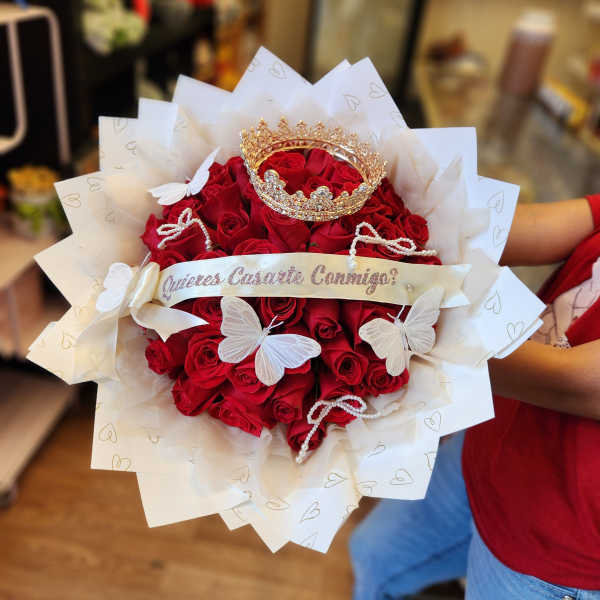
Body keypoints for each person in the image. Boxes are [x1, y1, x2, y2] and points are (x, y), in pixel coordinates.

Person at [350, 195, 600, 600]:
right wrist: (373, 228)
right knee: (373, 556)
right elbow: (518, 229)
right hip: (490, 449)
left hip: (553, 553)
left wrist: (396, 331)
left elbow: (572, 381)